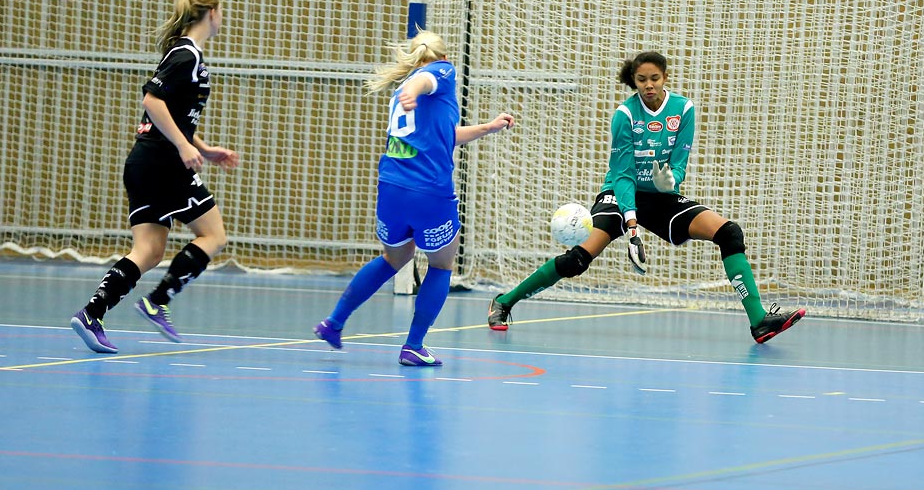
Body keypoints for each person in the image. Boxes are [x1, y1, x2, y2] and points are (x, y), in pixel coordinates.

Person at [486, 50, 804, 344]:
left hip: (660, 197)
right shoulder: (625, 115)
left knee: (728, 233)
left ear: (665, 77)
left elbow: (678, 163)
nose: (648, 86)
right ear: (634, 81)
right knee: (577, 260)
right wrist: (632, 225)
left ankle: (760, 320)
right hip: (621, 194)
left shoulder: (684, 110)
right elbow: (623, 175)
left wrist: (670, 181)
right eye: (641, 80)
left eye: (654, 78)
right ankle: (504, 302)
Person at [314, 31, 514, 366]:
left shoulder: (405, 94)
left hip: (391, 188)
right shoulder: (441, 72)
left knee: (394, 258)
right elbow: (424, 79)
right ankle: (413, 346)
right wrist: (412, 88)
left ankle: (333, 323)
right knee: (442, 264)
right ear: (441, 56)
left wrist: (487, 127)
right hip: (429, 192)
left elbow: (443, 137)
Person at [69, 0, 240, 354]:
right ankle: (156, 301)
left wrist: (204, 148)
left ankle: (91, 313)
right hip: (163, 162)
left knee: (148, 249)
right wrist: (182, 146)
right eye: (222, 10)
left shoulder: (180, 52)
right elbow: (152, 100)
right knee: (213, 235)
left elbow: (173, 116)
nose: (223, 17)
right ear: (211, 13)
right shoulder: (188, 55)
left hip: (144, 160)